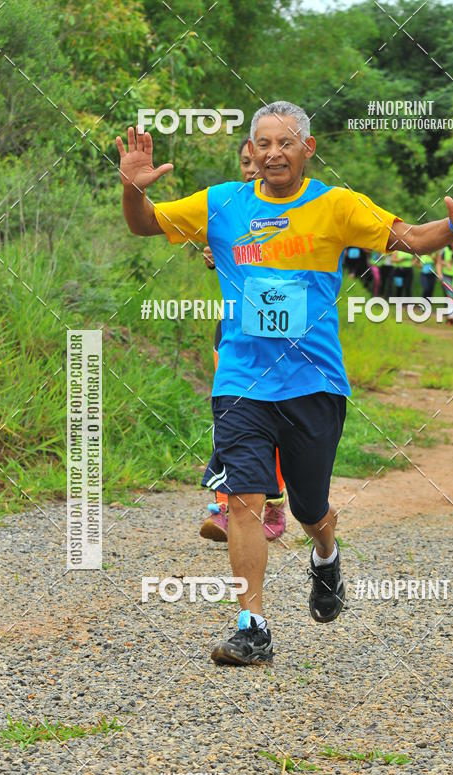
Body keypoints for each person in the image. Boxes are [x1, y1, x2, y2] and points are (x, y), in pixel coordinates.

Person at [117, 99, 453, 665]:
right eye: (265, 144)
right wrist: (133, 187)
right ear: (251, 151)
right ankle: (252, 625)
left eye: (286, 143)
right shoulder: (221, 203)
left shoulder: (336, 205)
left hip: (315, 382)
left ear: (308, 149)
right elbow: (142, 223)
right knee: (244, 500)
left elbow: (413, 240)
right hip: (242, 379)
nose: (275, 153)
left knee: (309, 507)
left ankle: (325, 554)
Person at [199, 138, 287, 543]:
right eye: (244, 162)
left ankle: (276, 503)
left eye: (259, 162)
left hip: (286, 337)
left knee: (280, 422)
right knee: (231, 417)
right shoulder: (228, 207)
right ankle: (225, 507)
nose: (252, 169)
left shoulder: (297, 207)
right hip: (235, 334)